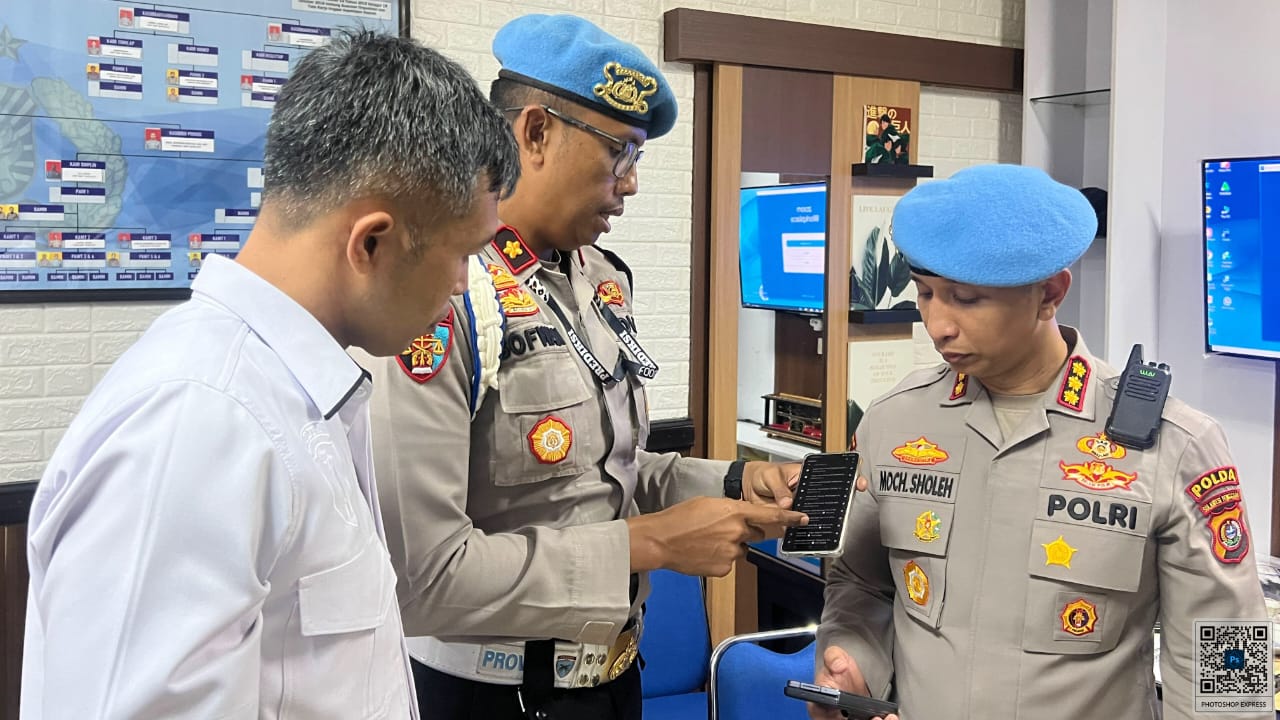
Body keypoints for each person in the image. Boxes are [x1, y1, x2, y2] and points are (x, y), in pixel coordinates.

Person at [20, 29, 518, 719]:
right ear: (371, 241)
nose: (464, 289)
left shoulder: (293, 393)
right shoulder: (199, 422)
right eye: (462, 255)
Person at [352, 13, 807, 720]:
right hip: (490, 695)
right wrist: (650, 543)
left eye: (638, 160)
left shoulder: (599, 282)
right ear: (535, 133)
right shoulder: (444, 297)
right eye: (619, 153)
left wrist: (737, 479)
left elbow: (604, 473)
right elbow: (422, 578)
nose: (628, 184)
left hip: (614, 680)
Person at [812, 164, 1269, 720]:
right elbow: (861, 583)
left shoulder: (1173, 445)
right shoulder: (895, 423)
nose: (938, 325)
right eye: (927, 293)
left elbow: (1225, 666)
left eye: (966, 299)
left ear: (1050, 293)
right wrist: (849, 660)